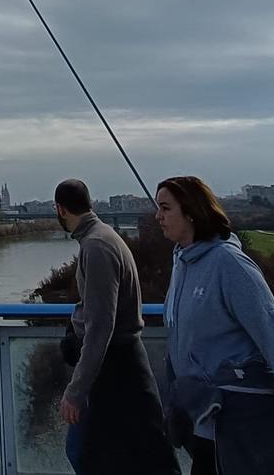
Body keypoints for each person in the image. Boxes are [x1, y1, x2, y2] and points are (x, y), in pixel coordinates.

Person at [156, 176, 274, 475]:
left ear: (191, 211)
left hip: (246, 435)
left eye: (165, 208)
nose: (158, 216)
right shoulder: (182, 264)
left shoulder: (231, 266)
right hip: (207, 432)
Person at [55, 178, 179, 475]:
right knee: (137, 452)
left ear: (59, 209)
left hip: (116, 367)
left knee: (87, 453)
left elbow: (100, 325)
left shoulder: (96, 246)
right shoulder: (103, 237)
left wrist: (75, 390)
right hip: (120, 364)